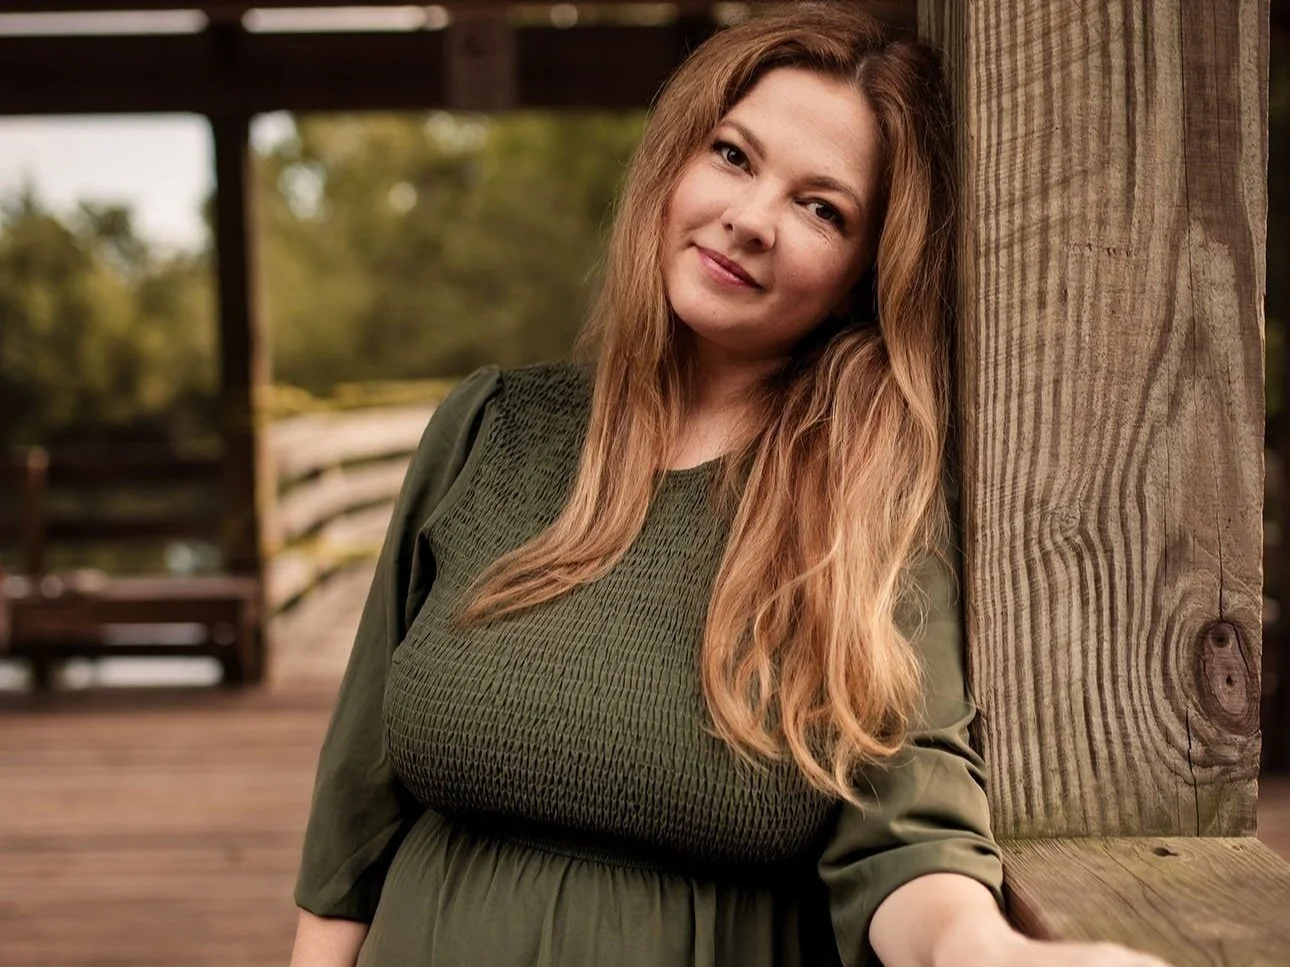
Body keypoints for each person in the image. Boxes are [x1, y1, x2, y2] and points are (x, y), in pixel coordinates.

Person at [288, 5, 1172, 966]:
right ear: (673, 163)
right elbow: (353, 825)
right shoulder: (489, 430)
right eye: (735, 156)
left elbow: (910, 828)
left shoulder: (865, 495)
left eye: (820, 208)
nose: (750, 221)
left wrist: (991, 954)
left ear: (861, 276)